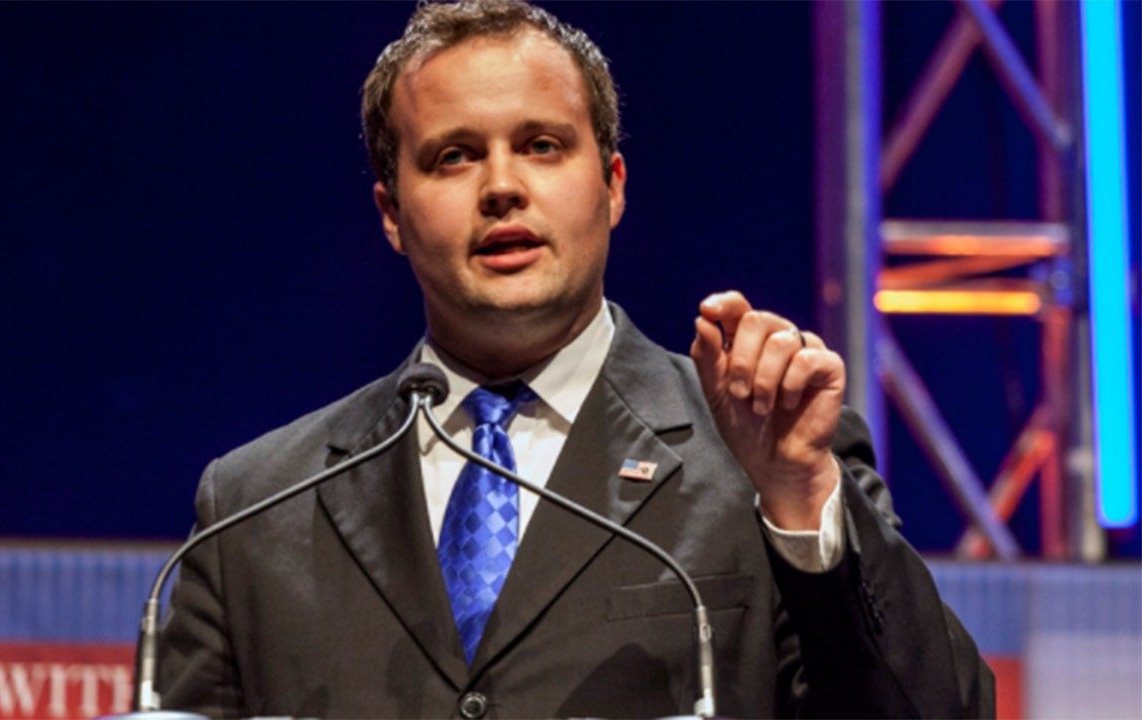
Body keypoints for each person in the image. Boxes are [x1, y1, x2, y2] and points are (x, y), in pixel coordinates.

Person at [158, 1, 994, 718]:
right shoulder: (253, 511)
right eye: (453, 156)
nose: (501, 186)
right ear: (391, 212)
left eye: (542, 145)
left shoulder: (761, 458)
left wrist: (801, 500)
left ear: (614, 184)